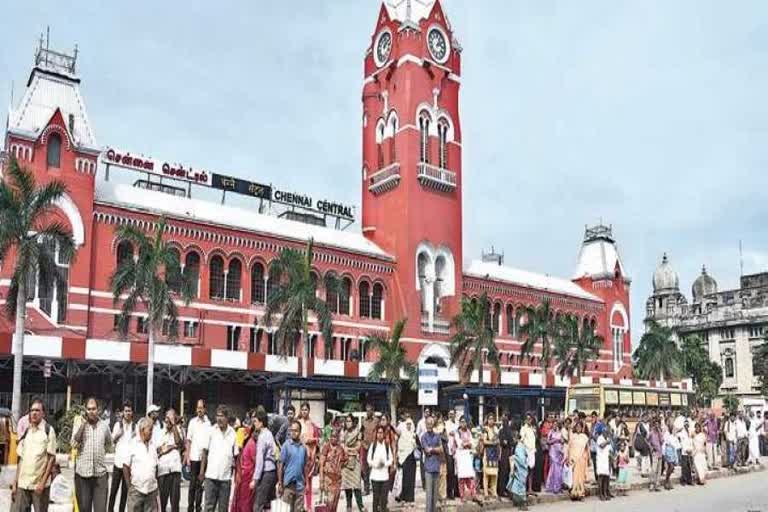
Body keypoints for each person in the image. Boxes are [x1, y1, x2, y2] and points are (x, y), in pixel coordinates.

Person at [12, 399, 56, 512]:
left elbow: (51, 459)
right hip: (23, 484)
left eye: (37, 410)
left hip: (39, 486)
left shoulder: (48, 431)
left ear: (43, 413)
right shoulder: (27, 431)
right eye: (32, 410)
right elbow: (20, 458)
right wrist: (15, 482)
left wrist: (42, 483)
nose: (34, 413)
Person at [72, 397, 113, 512]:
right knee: (84, 508)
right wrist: (83, 425)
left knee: (100, 509)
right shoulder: (79, 424)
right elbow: (74, 444)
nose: (91, 411)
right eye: (89, 409)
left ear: (98, 410)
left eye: (93, 409)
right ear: (85, 410)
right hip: (83, 475)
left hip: (100, 475)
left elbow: (109, 444)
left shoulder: (104, 426)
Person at [200, 406, 239, 512]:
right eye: (217, 416)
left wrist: (237, 475)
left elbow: (236, 456)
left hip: (225, 480)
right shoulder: (211, 431)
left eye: (222, 416)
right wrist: (202, 472)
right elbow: (204, 452)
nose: (219, 419)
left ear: (227, 418)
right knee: (208, 507)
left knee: (223, 509)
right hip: (210, 477)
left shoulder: (233, 434)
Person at [123, 418, 159, 512]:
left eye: (152, 430)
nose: (151, 432)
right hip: (136, 491)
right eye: (150, 429)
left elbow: (155, 467)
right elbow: (125, 466)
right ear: (142, 430)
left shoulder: (153, 445)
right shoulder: (132, 444)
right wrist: (129, 487)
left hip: (151, 491)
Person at [248, 408, 277, 512]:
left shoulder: (262, 436)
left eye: (255, 421)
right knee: (268, 504)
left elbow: (260, 460)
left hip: (266, 472)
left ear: (261, 422)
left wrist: (255, 480)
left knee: (257, 506)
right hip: (273, 472)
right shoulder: (269, 434)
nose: (254, 423)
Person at [108, 402, 135, 512]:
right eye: (126, 411)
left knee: (125, 493)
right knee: (113, 491)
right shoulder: (117, 425)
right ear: (123, 413)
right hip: (118, 464)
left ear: (132, 412)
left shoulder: (135, 426)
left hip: (128, 465)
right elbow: (111, 442)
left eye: (129, 411)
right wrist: (118, 434)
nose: (127, 413)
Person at [185, 399, 210, 512]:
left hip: (203, 459)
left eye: (201, 408)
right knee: (192, 486)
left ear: (205, 409)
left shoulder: (208, 423)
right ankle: (190, 508)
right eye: (198, 408)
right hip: (194, 457)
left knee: (200, 485)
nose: (199, 410)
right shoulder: (192, 422)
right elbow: (188, 440)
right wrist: (187, 457)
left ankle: (198, 508)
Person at [156, 409, 183, 512]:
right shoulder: (159, 433)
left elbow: (179, 443)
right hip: (163, 471)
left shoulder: (178, 431)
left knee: (175, 503)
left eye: (171, 418)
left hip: (175, 470)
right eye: (167, 418)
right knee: (162, 502)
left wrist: (174, 426)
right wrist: (172, 447)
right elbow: (159, 450)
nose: (169, 421)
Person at [279, 420, 308, 512]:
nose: (293, 432)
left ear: (300, 432)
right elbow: (280, 465)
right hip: (288, 485)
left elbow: (305, 467)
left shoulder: (303, 448)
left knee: (298, 510)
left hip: (300, 486)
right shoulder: (286, 446)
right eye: (292, 430)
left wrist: (306, 483)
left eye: (296, 430)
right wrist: (280, 483)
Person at [297, 402, 320, 511]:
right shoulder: (298, 424)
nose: (304, 412)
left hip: (309, 457)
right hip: (298, 456)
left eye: (306, 410)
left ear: (309, 411)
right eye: (303, 410)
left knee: (308, 483)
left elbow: (318, 440)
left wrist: (312, 440)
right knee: (299, 481)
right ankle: (300, 505)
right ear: (300, 411)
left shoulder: (313, 425)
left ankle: (309, 506)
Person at [340, 414, 365, 512]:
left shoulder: (357, 432)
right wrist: (349, 450)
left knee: (356, 486)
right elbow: (342, 447)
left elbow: (358, 447)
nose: (348, 423)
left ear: (353, 422)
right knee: (347, 486)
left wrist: (349, 450)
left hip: (355, 462)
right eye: (347, 421)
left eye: (350, 421)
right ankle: (349, 507)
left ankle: (361, 506)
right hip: (346, 462)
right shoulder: (343, 433)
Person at [320, 430, 348, 512]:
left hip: (337, 480)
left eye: (335, 437)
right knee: (328, 504)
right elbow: (321, 465)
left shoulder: (340, 448)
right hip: (328, 480)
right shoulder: (326, 447)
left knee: (335, 504)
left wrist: (340, 465)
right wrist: (321, 480)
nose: (333, 438)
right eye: (332, 436)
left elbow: (345, 460)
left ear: (338, 438)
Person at [368, 426, 393, 512]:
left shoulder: (386, 445)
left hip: (385, 477)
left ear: (384, 434)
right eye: (378, 433)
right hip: (375, 476)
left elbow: (391, 460)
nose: (379, 435)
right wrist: (376, 465)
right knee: (375, 499)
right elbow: (368, 460)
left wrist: (384, 464)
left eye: (381, 433)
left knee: (384, 500)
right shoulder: (373, 445)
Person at [420, 417, 443, 512]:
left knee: (435, 495)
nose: (429, 425)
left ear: (433, 425)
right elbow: (426, 450)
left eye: (431, 423)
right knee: (429, 495)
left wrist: (432, 449)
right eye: (428, 423)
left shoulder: (437, 436)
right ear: (425, 424)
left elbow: (441, 450)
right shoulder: (423, 437)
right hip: (428, 469)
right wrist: (435, 449)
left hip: (436, 467)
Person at [453, 416, 476, 503]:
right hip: (460, 456)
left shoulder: (469, 431)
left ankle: (473, 494)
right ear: (459, 423)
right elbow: (460, 444)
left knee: (470, 477)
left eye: (465, 422)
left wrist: (466, 444)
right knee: (461, 478)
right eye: (462, 422)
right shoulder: (457, 432)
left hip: (467, 456)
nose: (463, 423)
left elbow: (472, 443)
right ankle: (462, 496)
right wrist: (467, 444)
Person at [396, 416, 417, 509]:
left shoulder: (413, 434)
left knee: (411, 480)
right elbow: (400, 448)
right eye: (407, 424)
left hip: (411, 459)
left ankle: (411, 499)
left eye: (410, 424)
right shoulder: (402, 435)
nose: (408, 426)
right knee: (404, 480)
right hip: (404, 459)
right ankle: (404, 499)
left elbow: (416, 446)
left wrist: (414, 441)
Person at [567, 422, 589, 501]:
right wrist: (568, 458)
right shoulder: (573, 436)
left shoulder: (584, 437)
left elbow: (587, 448)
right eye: (577, 427)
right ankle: (574, 494)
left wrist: (588, 458)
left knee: (581, 478)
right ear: (575, 428)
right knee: (574, 477)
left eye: (580, 427)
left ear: (582, 428)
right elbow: (569, 448)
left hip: (582, 459)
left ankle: (581, 494)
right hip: (574, 459)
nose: (578, 428)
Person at [508, 433, 529, 511]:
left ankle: (522, 504)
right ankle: (519, 502)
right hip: (520, 469)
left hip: (521, 469)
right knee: (518, 485)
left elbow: (521, 459)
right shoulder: (521, 445)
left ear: (516, 438)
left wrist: (514, 458)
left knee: (521, 487)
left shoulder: (519, 447)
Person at [481, 413, 500, 501]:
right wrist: (493, 443)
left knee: (494, 473)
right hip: (487, 453)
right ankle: (485, 492)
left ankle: (494, 491)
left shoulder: (496, 429)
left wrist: (499, 451)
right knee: (486, 473)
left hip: (495, 454)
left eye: (492, 419)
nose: (491, 420)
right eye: (489, 419)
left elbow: (498, 441)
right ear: (487, 420)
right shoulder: (485, 429)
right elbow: (484, 441)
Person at [361, 404, 378, 495]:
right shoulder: (363, 421)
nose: (368, 412)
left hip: (374, 447)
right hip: (365, 447)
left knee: (375, 468)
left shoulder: (376, 421)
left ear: (373, 411)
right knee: (365, 469)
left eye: (370, 410)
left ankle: (375, 488)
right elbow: (361, 434)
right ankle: (366, 489)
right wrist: (363, 443)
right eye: (367, 410)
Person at [545, 419, 564, 494]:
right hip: (553, 452)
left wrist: (560, 441)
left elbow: (563, 441)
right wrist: (555, 440)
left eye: (556, 424)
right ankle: (552, 486)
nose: (555, 426)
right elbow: (548, 442)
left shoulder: (560, 432)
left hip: (559, 452)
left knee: (559, 470)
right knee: (554, 468)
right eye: (554, 424)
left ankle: (558, 486)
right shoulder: (550, 432)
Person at [519, 414, 536, 495]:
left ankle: (530, 489)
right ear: (525, 420)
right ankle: (523, 489)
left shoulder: (533, 428)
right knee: (525, 470)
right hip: (526, 451)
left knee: (531, 470)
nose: (529, 420)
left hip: (532, 451)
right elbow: (521, 440)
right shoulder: (523, 428)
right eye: (527, 419)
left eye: (530, 419)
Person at [595, 424, 612, 501]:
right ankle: (600, 493)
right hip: (600, 460)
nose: (607, 433)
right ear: (603, 432)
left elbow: (610, 450)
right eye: (606, 431)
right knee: (601, 477)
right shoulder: (600, 438)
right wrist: (606, 442)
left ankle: (605, 493)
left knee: (606, 477)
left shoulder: (608, 438)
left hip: (606, 460)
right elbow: (601, 446)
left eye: (608, 432)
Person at [497, 413, 513, 498]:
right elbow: (502, 441)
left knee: (508, 472)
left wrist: (507, 442)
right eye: (504, 420)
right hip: (503, 453)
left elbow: (511, 442)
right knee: (503, 472)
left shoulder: (509, 431)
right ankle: (501, 490)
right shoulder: (501, 431)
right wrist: (505, 442)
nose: (505, 422)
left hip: (509, 452)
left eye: (506, 420)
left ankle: (507, 489)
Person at [647, 418, 663, 492]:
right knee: (653, 469)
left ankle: (657, 484)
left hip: (660, 452)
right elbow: (647, 441)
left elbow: (662, 441)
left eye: (658, 424)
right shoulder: (651, 433)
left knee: (659, 470)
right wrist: (651, 447)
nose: (657, 425)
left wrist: (660, 432)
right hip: (654, 452)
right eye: (655, 424)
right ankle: (652, 484)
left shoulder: (659, 432)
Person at [662, 421, 679, 490]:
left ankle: (668, 481)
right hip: (667, 451)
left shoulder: (671, 434)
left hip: (672, 452)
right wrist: (664, 453)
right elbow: (664, 443)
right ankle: (666, 481)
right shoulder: (666, 433)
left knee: (671, 468)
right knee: (670, 467)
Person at [678, 420, 694, 485]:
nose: (687, 426)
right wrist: (686, 449)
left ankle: (689, 480)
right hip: (684, 452)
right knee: (684, 467)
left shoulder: (690, 432)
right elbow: (682, 442)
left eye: (687, 425)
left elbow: (691, 441)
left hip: (690, 451)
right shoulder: (682, 433)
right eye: (685, 425)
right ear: (684, 425)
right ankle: (683, 480)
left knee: (690, 466)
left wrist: (691, 449)